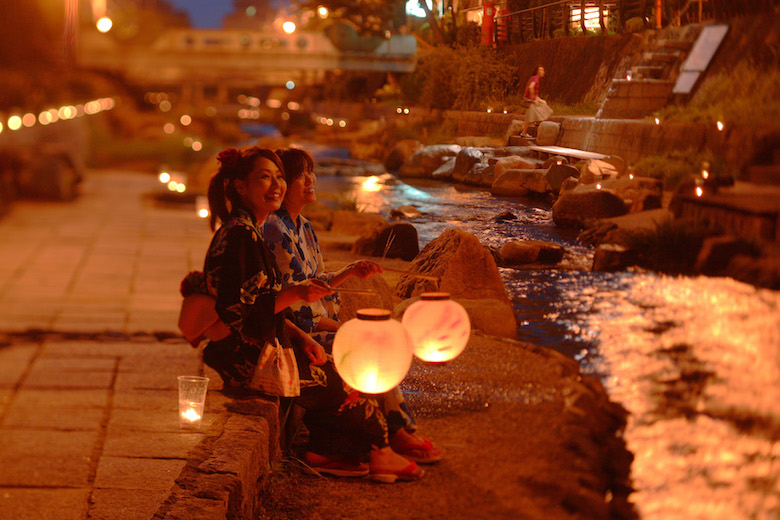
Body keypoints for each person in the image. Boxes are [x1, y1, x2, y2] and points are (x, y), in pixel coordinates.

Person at [200, 146, 423, 482]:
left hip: (265, 343)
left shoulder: (251, 230)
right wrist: (297, 294)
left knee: (332, 369)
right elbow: (242, 313)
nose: (276, 185)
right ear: (241, 187)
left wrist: (301, 338)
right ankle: (380, 450)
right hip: (244, 357)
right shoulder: (240, 235)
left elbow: (265, 306)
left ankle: (333, 451)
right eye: (265, 177)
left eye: (279, 177)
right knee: (345, 384)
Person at [263, 147, 442, 464]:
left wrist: (348, 271)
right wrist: (345, 328)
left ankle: (396, 429)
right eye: (301, 175)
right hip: (297, 336)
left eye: (311, 173)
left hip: (316, 327)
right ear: (283, 185)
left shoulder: (303, 226)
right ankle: (390, 435)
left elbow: (315, 283)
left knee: (376, 341)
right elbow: (301, 311)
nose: (311, 180)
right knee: (371, 346)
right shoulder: (277, 231)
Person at [521, 65, 553, 138]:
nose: (543, 72)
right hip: (531, 100)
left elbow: (532, 90)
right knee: (543, 110)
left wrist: (540, 100)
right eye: (541, 70)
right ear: (537, 72)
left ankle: (534, 126)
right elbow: (531, 87)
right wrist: (533, 98)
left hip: (531, 99)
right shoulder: (535, 78)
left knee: (538, 111)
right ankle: (528, 130)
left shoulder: (534, 78)